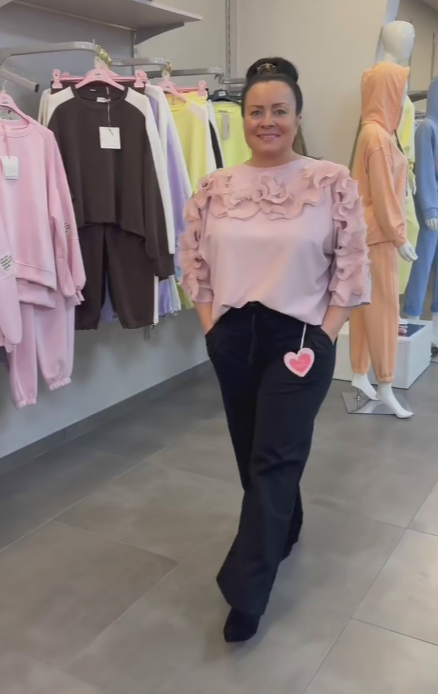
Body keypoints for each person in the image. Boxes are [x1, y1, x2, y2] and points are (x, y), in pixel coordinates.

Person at [180, 57, 370, 643]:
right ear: (242, 118)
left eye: (279, 110)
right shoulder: (214, 186)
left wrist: (329, 331)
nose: (267, 121)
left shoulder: (330, 181)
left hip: (301, 339)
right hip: (234, 335)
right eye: (256, 110)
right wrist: (212, 328)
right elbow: (194, 261)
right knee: (251, 450)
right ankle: (285, 524)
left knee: (274, 458)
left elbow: (352, 262)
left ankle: (247, 592)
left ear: (298, 117)